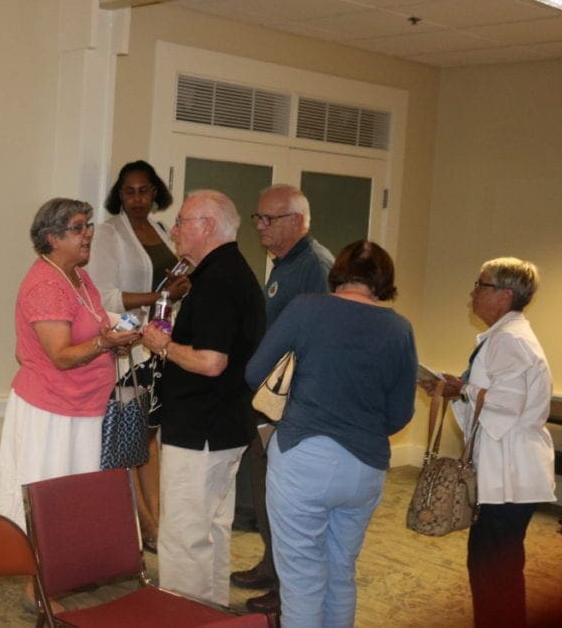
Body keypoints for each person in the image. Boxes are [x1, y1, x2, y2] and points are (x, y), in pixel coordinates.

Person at [246, 240, 416, 628]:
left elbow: (256, 373)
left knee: (302, 580)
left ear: (338, 272)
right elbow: (400, 413)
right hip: (366, 465)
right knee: (341, 573)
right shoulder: (399, 328)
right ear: (383, 280)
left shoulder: (307, 308)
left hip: (303, 455)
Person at [0, 197, 140, 607]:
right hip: (50, 412)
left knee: (76, 500)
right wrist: (104, 342)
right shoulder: (46, 283)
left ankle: (60, 577)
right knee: (48, 502)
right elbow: (60, 355)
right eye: (78, 227)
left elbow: (91, 331)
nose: (88, 233)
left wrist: (116, 343)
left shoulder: (78, 277)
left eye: (88, 225)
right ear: (52, 238)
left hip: (84, 409)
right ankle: (36, 589)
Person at [141, 190, 265, 606]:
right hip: (225, 424)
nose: (173, 230)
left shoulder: (216, 281)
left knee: (183, 537)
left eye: (181, 222)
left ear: (207, 227)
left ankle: (185, 617)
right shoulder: (232, 272)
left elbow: (211, 362)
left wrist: (161, 345)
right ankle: (210, 613)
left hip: (202, 429)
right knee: (212, 528)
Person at [420, 257, 554, 628]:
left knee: (494, 566)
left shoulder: (510, 340)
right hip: (509, 469)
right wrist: (456, 391)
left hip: (512, 472)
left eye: (481, 285)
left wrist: (461, 388)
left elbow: (508, 404)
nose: (473, 293)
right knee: (495, 565)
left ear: (505, 295)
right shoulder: (504, 336)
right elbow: (493, 397)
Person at [233, 184, 334, 614]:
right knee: (265, 486)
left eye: (267, 219)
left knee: (285, 496)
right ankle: (272, 564)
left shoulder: (314, 266)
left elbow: (319, 337)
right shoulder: (285, 263)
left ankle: (285, 587)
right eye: (256, 218)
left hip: (290, 401)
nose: (259, 226)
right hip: (268, 396)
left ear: (296, 221)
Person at [86, 160, 190, 551]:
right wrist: (162, 296)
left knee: (150, 435)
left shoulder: (163, 231)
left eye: (144, 190)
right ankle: (142, 523)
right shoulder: (109, 234)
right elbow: (105, 297)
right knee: (129, 435)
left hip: (160, 345)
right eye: (129, 191)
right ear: (119, 194)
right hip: (128, 347)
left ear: (156, 192)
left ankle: (157, 519)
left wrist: (178, 288)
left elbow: (171, 282)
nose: (137, 199)